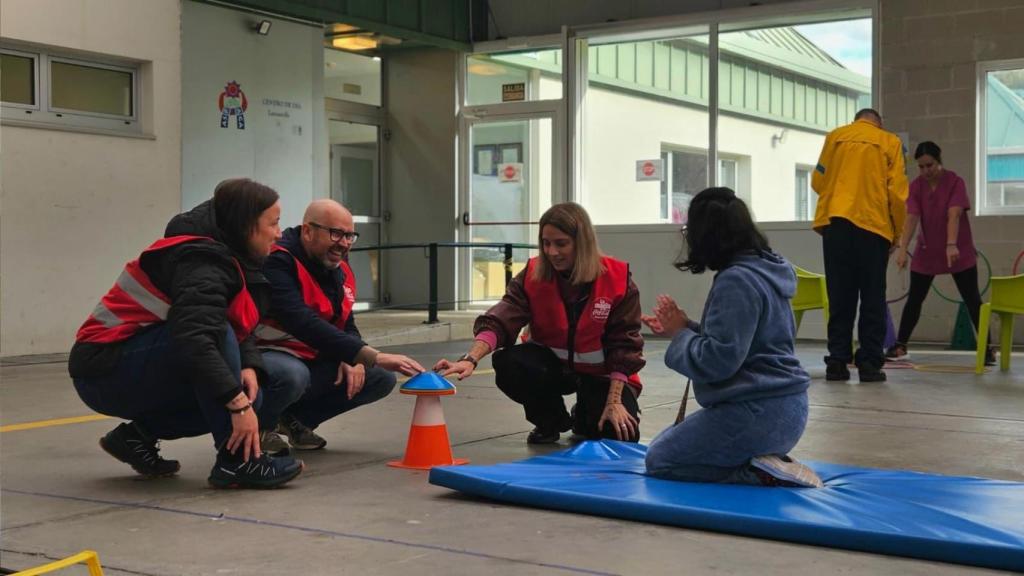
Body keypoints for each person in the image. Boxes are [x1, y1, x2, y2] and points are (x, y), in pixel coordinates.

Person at [69, 178, 303, 489]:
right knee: (218, 351)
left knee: (256, 386)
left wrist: (247, 365)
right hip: (102, 369)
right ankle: (237, 464)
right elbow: (196, 336)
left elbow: (237, 316)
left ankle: (135, 437)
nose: (278, 232)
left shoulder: (233, 250)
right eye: (273, 223)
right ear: (246, 225)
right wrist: (237, 404)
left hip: (142, 359)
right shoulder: (201, 260)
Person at [642, 187, 821, 488]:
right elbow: (745, 342)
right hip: (785, 409)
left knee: (661, 460)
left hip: (760, 411)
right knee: (664, 443)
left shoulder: (736, 280)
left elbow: (718, 361)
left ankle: (758, 473)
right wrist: (686, 326)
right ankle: (764, 462)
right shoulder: (765, 270)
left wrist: (678, 335)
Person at [434, 202, 645, 445]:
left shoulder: (617, 281)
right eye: (546, 243)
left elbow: (625, 345)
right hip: (554, 370)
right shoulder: (533, 274)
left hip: (603, 377)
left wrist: (614, 402)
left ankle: (585, 413)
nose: (552, 251)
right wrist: (470, 358)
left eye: (561, 243)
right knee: (509, 362)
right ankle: (551, 421)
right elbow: (503, 316)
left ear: (582, 242)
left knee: (618, 435)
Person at [254, 199, 425, 454]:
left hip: (309, 356)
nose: (344, 243)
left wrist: (353, 357)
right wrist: (366, 354)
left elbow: (346, 321)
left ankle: (294, 420)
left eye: (349, 235)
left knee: (378, 377)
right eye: (336, 233)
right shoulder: (277, 261)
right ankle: (259, 428)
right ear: (308, 231)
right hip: (265, 356)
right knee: (292, 376)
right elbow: (300, 320)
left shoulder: (338, 267)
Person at [812, 108, 908, 382]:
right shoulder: (889, 142)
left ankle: (838, 362)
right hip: (873, 226)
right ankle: (869, 364)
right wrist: (896, 234)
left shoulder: (835, 137)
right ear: (879, 123)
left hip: (836, 224)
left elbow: (818, 179)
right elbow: (898, 194)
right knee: (872, 297)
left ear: (856, 120)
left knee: (840, 295)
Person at [889, 141, 995, 365]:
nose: (926, 171)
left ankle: (987, 348)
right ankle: (900, 346)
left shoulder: (955, 181)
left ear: (939, 162)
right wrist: (902, 248)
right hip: (927, 250)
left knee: (972, 299)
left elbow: (954, 213)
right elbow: (911, 218)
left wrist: (951, 244)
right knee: (915, 299)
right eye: (921, 167)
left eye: (930, 165)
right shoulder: (916, 186)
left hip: (957, 249)